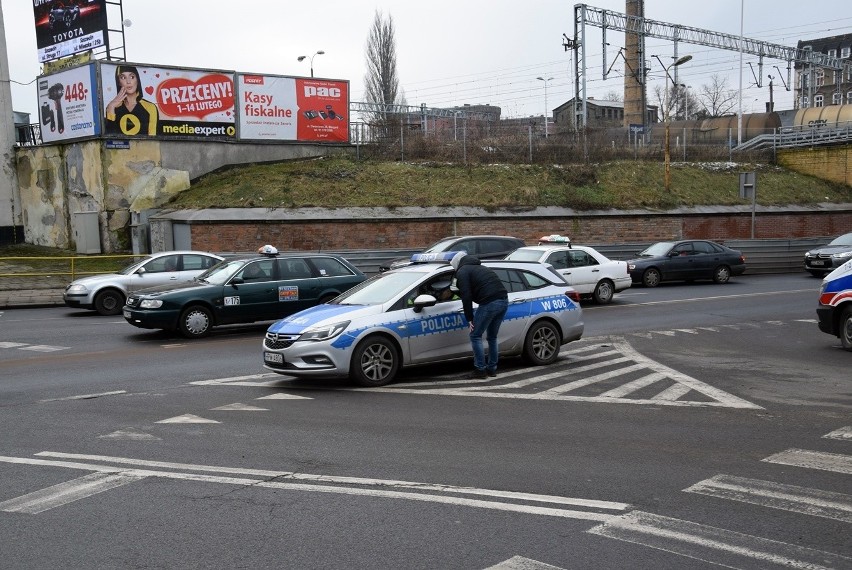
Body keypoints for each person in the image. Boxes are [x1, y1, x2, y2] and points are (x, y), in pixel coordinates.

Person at [450, 252, 509, 379]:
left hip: (490, 303)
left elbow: (466, 296)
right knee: (492, 337)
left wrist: (469, 318)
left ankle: (480, 369)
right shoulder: (480, 267)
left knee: (475, 335)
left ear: (457, 264)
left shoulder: (463, 271)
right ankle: (492, 369)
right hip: (503, 300)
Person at [104, 65, 158, 136]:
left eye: (132, 77)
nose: (128, 81)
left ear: (137, 80)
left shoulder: (150, 107)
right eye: (123, 77)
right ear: (119, 82)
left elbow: (153, 139)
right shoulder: (112, 106)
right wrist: (111, 107)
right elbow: (110, 138)